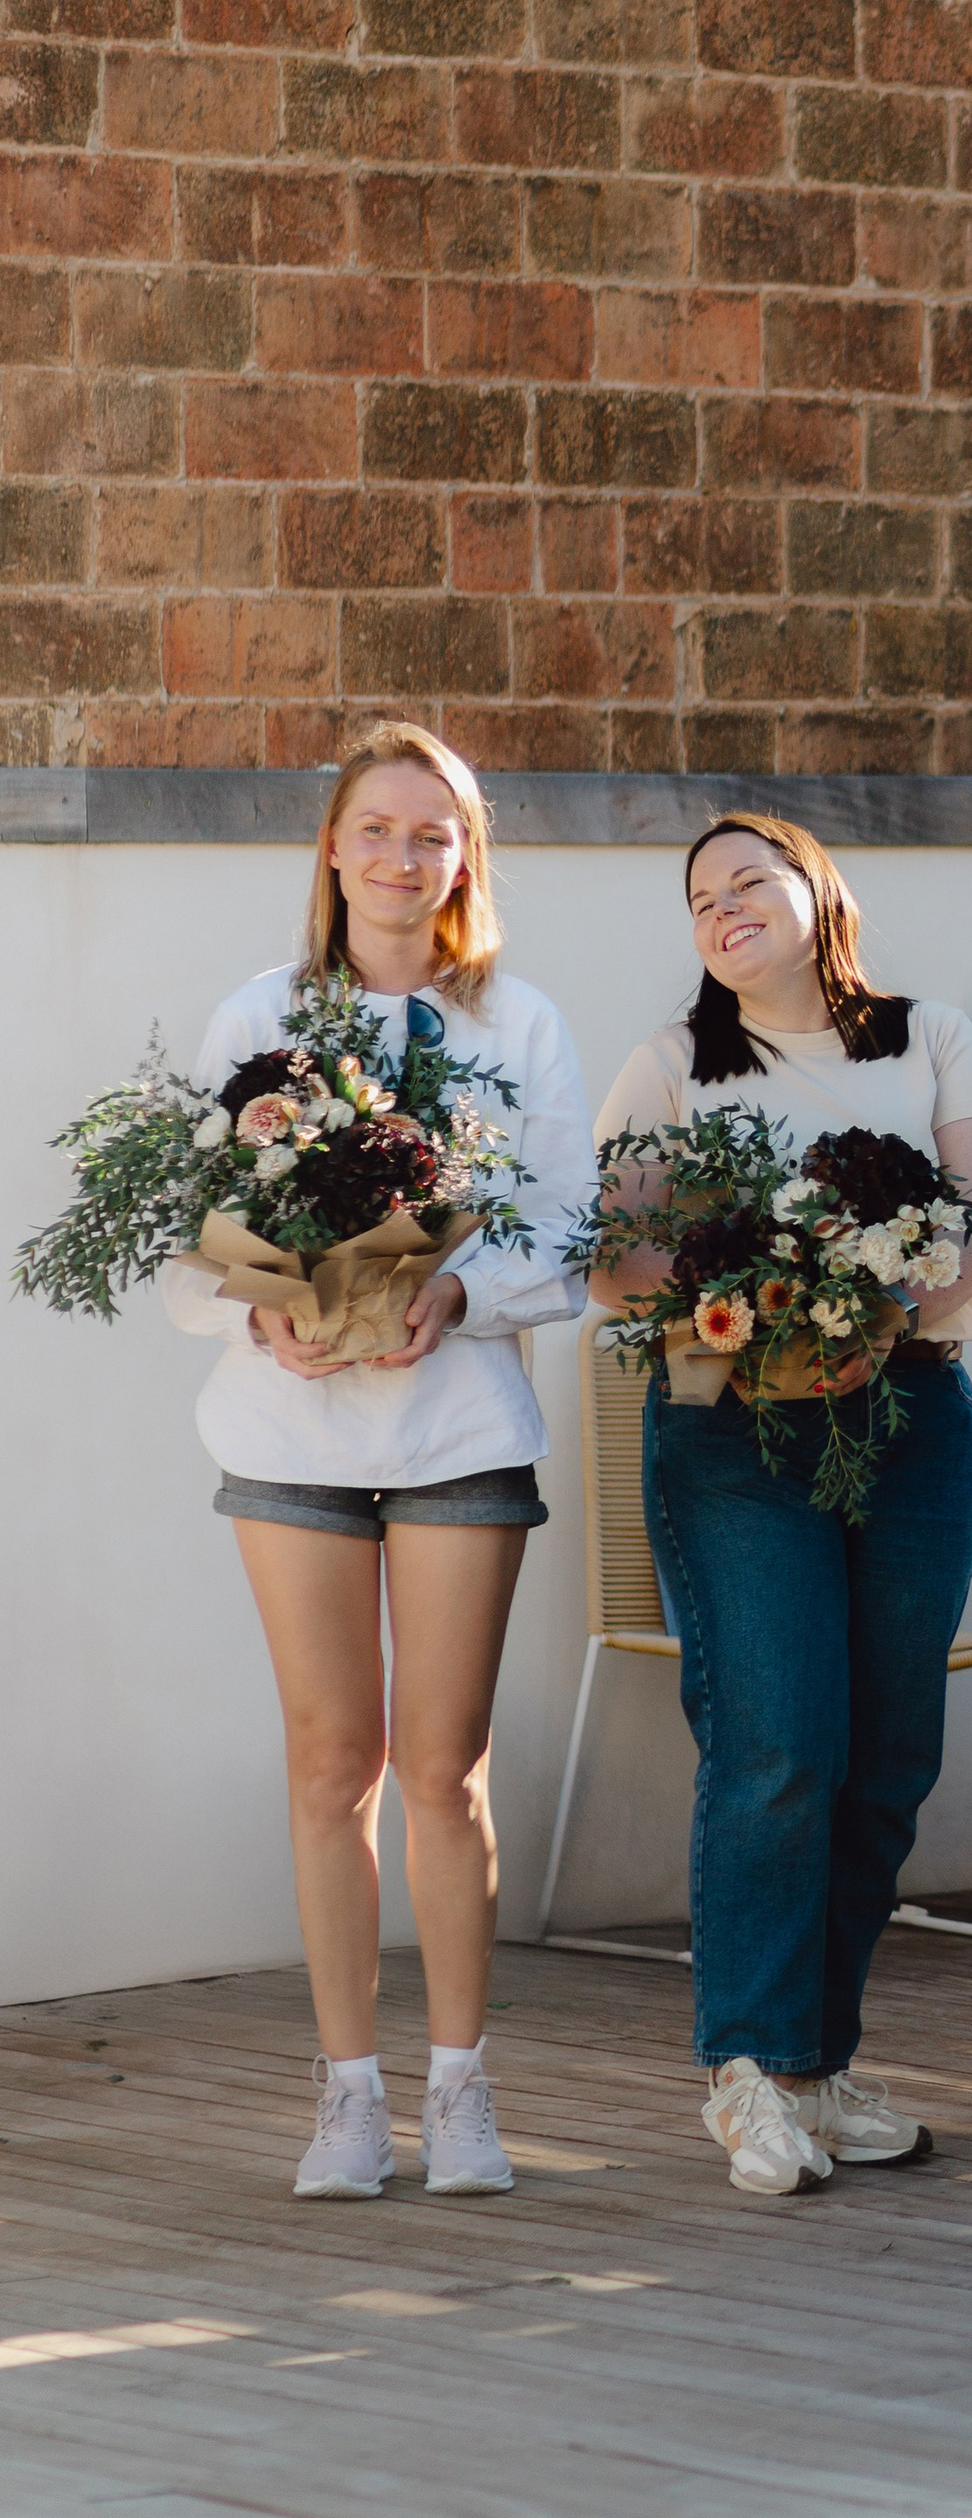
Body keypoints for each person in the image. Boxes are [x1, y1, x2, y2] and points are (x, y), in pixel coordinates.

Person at [165, 723, 591, 2203]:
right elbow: (183, 1223)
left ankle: (462, 2089)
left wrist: (459, 1294)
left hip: (459, 1430)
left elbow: (565, 1230)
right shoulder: (255, 1016)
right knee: (328, 1761)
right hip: (289, 1437)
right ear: (334, 847)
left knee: (440, 1769)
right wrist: (269, 1308)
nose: (403, 856)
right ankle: (348, 2096)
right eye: (377, 828)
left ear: (465, 858)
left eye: (435, 832)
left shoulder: (517, 1026)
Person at [590, 818, 972, 2203]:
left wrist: (884, 1307)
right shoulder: (672, 1065)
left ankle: (821, 2068)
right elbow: (616, 1256)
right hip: (733, 1430)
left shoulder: (930, 1034)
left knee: (888, 1756)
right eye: (701, 897)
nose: (724, 909)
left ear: (816, 894)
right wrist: (763, 1307)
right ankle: (752, 2074)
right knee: (777, 1744)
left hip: (909, 1418)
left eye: (749, 882)